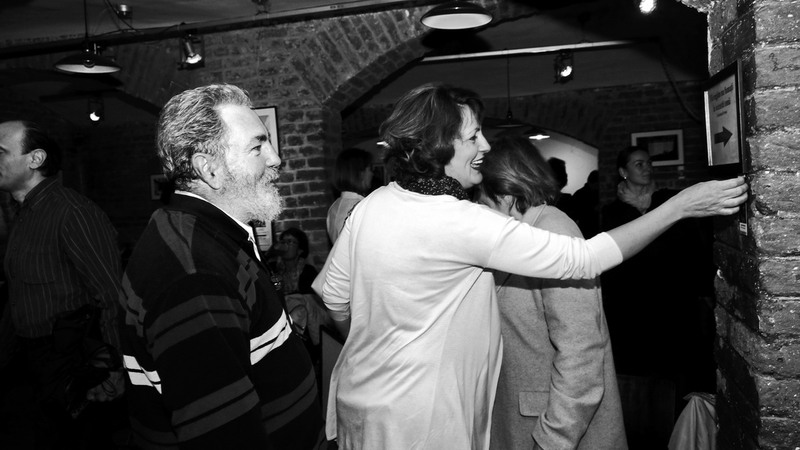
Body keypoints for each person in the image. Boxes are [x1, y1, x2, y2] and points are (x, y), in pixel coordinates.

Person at [317, 83, 746, 450]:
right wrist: (679, 206)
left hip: (359, 403)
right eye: (473, 136)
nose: (485, 146)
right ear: (441, 144)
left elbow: (333, 298)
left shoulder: (373, 204)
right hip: (423, 420)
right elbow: (585, 258)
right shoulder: (458, 220)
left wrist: (385, 350)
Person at [119, 84, 325, 449]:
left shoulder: (212, 237)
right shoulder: (193, 272)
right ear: (209, 169)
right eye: (258, 147)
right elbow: (222, 434)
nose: (275, 158)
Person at [478, 136, 626, 450]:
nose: (477, 207)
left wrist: (551, 441)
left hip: (555, 430)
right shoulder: (518, 235)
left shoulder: (554, 231)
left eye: (481, 198)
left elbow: (581, 356)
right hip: (523, 422)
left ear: (505, 191)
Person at [0, 120, 125, 448]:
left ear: (35, 159)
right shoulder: (24, 214)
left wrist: (114, 367)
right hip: (31, 364)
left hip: (72, 361)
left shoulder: (72, 212)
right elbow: (20, 295)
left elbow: (111, 294)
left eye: (1, 152)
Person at [600, 146, 717, 417]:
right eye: (638, 164)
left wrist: (702, 289)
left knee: (677, 372)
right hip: (633, 308)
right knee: (640, 380)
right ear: (623, 172)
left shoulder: (667, 202)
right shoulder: (613, 212)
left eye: (648, 163)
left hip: (673, 302)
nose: (647, 168)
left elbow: (692, 248)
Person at [326, 147, 373, 243]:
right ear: (361, 173)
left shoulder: (334, 207)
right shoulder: (362, 207)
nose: (372, 174)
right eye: (370, 169)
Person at [572, 169, 601, 238]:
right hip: (587, 228)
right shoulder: (581, 194)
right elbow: (578, 213)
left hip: (584, 229)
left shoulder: (578, 193)